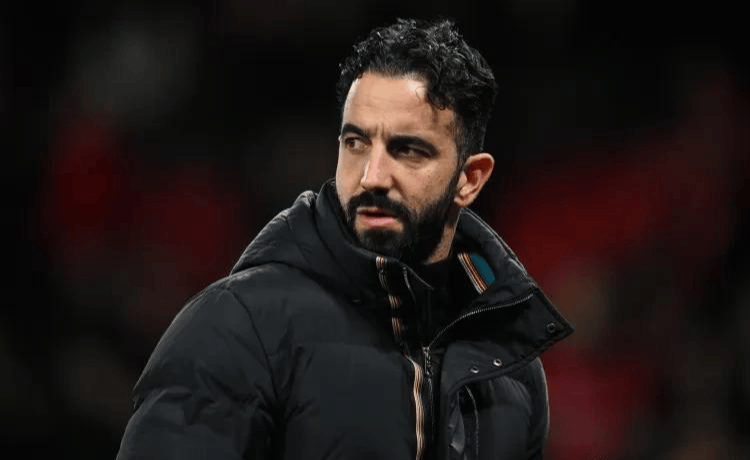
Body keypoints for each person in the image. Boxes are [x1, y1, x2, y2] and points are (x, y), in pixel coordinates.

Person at [116, 18, 573, 460]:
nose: (372, 176)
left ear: (469, 179)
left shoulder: (510, 368)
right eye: (355, 143)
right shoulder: (236, 328)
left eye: (407, 150)